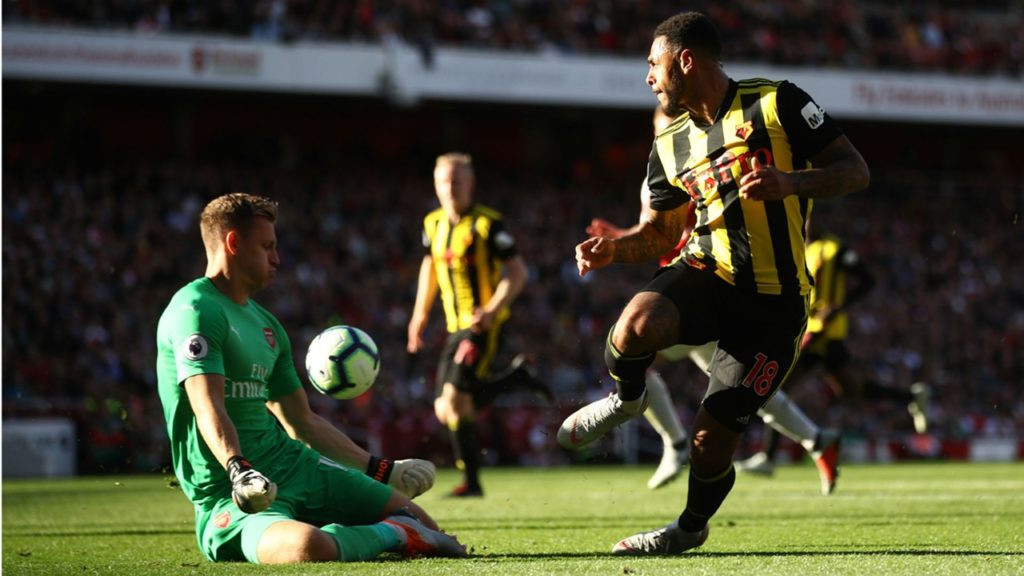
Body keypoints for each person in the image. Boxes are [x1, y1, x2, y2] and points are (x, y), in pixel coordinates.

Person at [557, 10, 870, 556]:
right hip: (709, 272)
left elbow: (855, 171)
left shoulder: (777, 102)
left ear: (685, 61)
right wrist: (615, 249)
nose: (648, 77)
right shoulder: (669, 143)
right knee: (633, 328)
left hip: (774, 304)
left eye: (653, 64)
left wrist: (790, 181)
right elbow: (660, 234)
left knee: (710, 440)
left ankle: (689, 527)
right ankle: (627, 400)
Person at [156, 193, 466, 564]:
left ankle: (397, 529)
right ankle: (395, 534)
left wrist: (382, 469)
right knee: (308, 548)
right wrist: (239, 469)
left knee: (426, 523)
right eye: (267, 247)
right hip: (231, 491)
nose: (277, 258)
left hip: (295, 466)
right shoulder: (196, 310)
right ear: (233, 243)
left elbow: (301, 421)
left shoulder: (267, 325)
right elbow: (207, 405)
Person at [587, 107, 840, 495]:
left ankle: (676, 444)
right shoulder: (661, 168)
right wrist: (621, 237)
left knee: (655, 362)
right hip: (686, 294)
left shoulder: (711, 163)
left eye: (674, 128)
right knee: (738, 388)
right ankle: (816, 439)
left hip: (707, 291)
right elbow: (657, 230)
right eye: (660, 130)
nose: (666, 137)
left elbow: (694, 230)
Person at [407, 152, 551, 498]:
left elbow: (518, 272)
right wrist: (419, 315)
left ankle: (471, 483)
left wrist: (491, 309)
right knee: (447, 409)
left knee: (455, 399)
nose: (451, 187)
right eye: (445, 181)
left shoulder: (488, 224)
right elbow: (430, 267)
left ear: (470, 184)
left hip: (483, 326)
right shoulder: (432, 224)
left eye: (457, 180)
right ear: (436, 185)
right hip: (454, 326)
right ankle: (514, 379)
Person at [736, 231, 930, 476]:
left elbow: (867, 280)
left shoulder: (833, 249)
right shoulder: (803, 250)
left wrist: (838, 307)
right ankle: (911, 397)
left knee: (778, 388)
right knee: (850, 390)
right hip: (811, 329)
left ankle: (768, 457)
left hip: (823, 332)